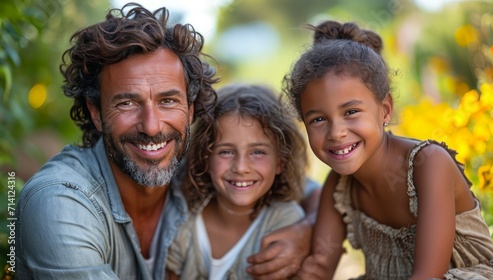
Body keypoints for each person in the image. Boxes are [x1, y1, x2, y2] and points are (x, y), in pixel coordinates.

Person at [14, 3, 313, 279]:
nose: (152, 126)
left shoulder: (193, 164)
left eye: (168, 100)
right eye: (127, 103)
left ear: (191, 108)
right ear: (96, 113)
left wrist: (307, 229)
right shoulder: (60, 205)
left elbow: (306, 187)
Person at [283, 20, 493, 279]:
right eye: (318, 119)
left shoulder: (429, 164)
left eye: (351, 112)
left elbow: (428, 275)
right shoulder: (339, 187)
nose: (336, 132)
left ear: (385, 109)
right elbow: (319, 266)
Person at [166, 84, 309, 279]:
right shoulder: (183, 215)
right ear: (205, 157)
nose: (241, 167)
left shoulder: (284, 221)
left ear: (281, 162)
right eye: (226, 151)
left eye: (257, 152)